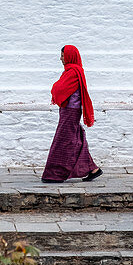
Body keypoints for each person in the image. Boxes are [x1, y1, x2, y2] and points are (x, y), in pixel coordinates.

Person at [41, 45, 102, 183]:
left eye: (63, 55)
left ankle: (55, 174)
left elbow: (59, 89)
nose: (61, 58)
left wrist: (54, 89)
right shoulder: (73, 71)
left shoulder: (73, 72)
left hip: (70, 111)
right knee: (75, 139)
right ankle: (92, 169)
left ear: (70, 56)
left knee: (64, 141)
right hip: (70, 110)